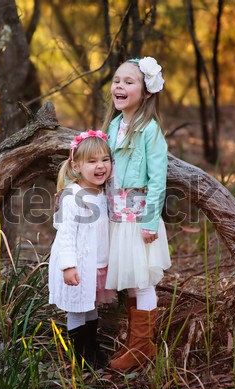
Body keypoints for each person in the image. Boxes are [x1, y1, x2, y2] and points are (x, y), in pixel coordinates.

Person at [102, 56, 172, 371]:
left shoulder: (149, 130)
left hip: (140, 218)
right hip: (117, 217)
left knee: (142, 281)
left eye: (129, 82)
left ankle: (143, 345)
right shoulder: (114, 126)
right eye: (117, 80)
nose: (120, 86)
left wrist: (149, 222)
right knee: (130, 282)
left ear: (145, 93)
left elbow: (158, 179)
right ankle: (137, 342)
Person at [48, 129, 116, 369]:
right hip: (77, 265)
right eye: (92, 161)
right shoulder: (72, 196)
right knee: (77, 307)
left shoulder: (105, 193)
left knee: (91, 306)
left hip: (96, 264)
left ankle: (92, 345)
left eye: (105, 160)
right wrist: (68, 266)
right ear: (76, 167)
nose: (100, 167)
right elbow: (65, 235)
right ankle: (80, 354)